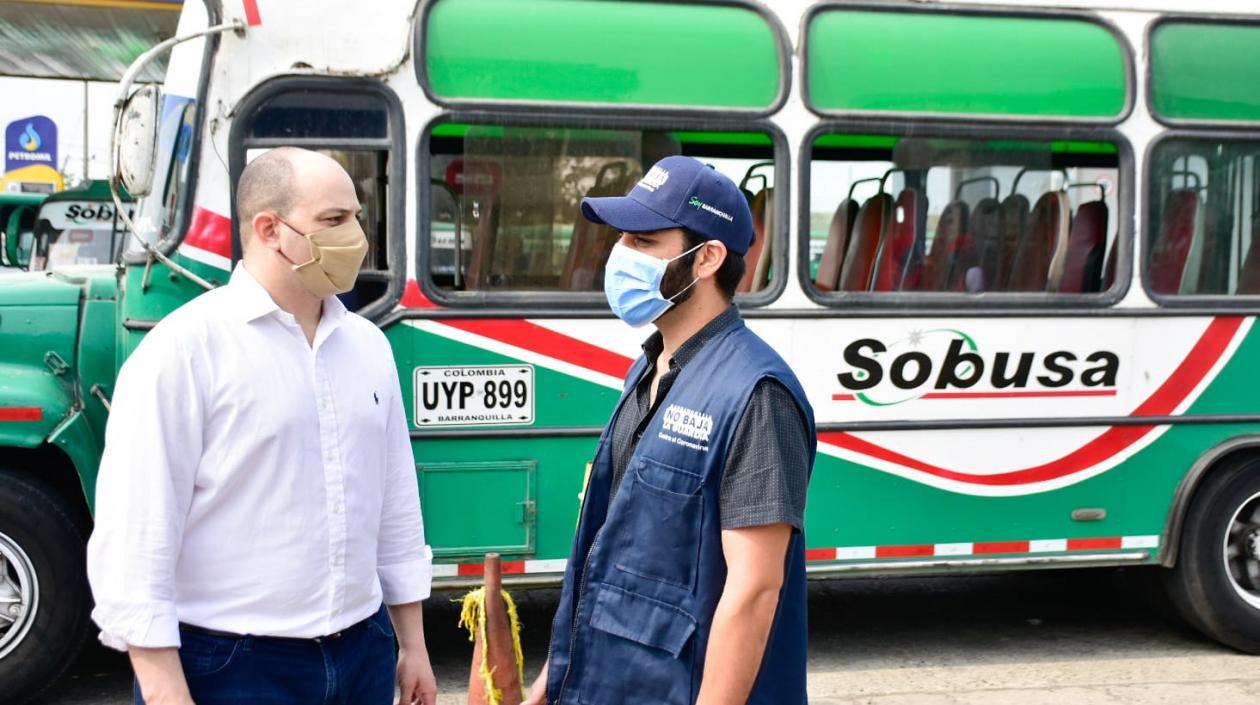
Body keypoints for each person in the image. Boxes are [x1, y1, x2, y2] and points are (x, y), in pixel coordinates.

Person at [86, 147, 437, 705]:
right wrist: (162, 687)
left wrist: (411, 643)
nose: (357, 235)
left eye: (355, 216)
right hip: (231, 665)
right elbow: (138, 537)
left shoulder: (368, 346)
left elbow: (394, 500)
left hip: (363, 651)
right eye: (334, 220)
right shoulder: (183, 351)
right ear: (270, 228)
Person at [524, 155, 816, 705]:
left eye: (643, 241)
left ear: (706, 258)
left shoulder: (756, 394)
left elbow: (754, 590)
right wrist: (556, 673)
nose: (620, 256)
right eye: (623, 240)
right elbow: (606, 548)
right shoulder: (650, 366)